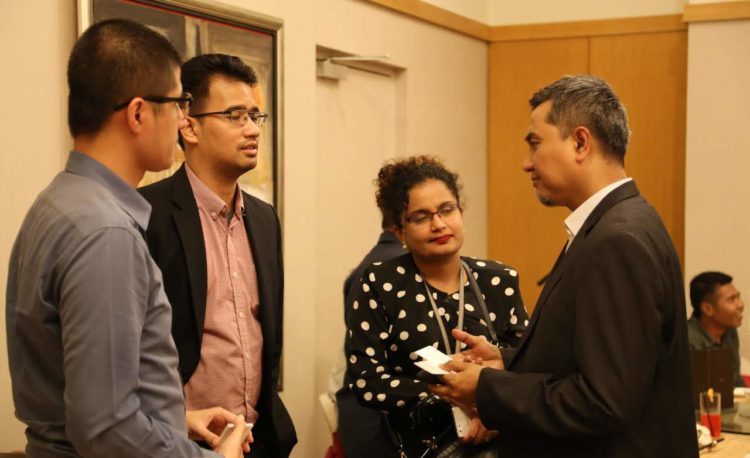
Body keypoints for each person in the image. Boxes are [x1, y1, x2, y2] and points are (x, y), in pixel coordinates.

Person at [5, 19, 248, 458]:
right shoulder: (105, 233)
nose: (182, 119)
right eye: (177, 104)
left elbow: (91, 393)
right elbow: (106, 429)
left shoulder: (59, 201)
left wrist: (173, 419)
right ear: (138, 114)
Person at [431, 75, 698, 457]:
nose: (526, 163)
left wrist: (487, 387)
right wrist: (506, 360)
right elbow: (593, 360)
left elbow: (603, 401)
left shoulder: (616, 240)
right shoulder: (619, 222)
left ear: (580, 142)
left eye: (535, 143)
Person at [139, 53, 296, 458]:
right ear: (189, 125)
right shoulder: (145, 214)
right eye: (235, 116)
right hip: (180, 440)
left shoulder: (264, 219)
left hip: (257, 439)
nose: (252, 129)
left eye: (255, 116)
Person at [345, 156, 527, 456]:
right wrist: (451, 392)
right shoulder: (380, 283)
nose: (439, 224)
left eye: (447, 210)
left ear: (461, 212)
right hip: (417, 447)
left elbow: (526, 364)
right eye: (421, 217)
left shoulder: (498, 280)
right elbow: (367, 382)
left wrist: (492, 410)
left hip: (499, 443)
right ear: (400, 231)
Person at [335, 216, 406, 458]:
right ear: (403, 225)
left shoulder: (365, 267)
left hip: (360, 418)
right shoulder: (397, 270)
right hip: (384, 427)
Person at [688, 271, 746, 387]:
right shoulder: (687, 341)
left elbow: (735, 381)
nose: (740, 305)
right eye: (731, 299)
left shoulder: (729, 331)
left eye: (738, 297)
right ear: (707, 309)